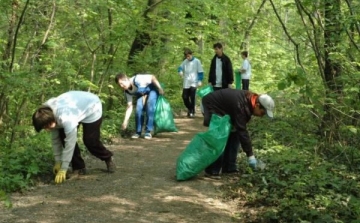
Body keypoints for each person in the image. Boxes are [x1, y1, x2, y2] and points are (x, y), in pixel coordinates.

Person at [32, 91, 116, 184]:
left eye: (47, 126)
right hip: (75, 109)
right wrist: (58, 161)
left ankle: (108, 158)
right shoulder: (47, 114)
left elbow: (70, 143)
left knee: (90, 141)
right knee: (62, 136)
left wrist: (63, 168)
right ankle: (79, 167)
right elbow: (56, 140)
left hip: (92, 107)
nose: (47, 130)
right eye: (44, 128)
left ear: (52, 119)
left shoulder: (65, 117)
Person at [201, 88, 275, 179]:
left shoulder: (248, 101)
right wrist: (250, 155)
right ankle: (212, 170)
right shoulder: (241, 105)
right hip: (210, 105)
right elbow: (242, 131)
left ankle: (229, 168)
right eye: (263, 112)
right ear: (257, 105)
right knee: (220, 136)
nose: (262, 115)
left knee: (234, 134)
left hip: (224, 109)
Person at [115, 73, 164, 139]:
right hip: (142, 94)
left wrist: (160, 88)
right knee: (138, 109)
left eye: (121, 83)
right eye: (119, 85)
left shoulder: (137, 79)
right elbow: (129, 106)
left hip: (152, 90)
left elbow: (152, 77)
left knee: (150, 107)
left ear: (126, 79)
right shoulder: (127, 92)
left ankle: (148, 131)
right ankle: (138, 132)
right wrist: (125, 121)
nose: (121, 86)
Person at [177, 48, 204, 117]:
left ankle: (192, 112)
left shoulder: (197, 61)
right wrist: (180, 71)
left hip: (194, 82)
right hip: (186, 81)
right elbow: (180, 67)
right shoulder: (185, 61)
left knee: (192, 97)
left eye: (188, 56)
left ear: (191, 54)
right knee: (184, 97)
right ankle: (190, 108)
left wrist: (200, 80)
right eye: (186, 56)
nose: (187, 57)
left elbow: (200, 71)